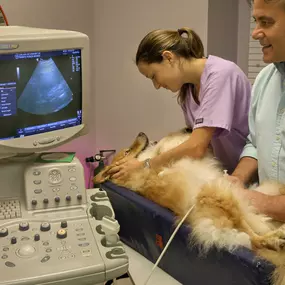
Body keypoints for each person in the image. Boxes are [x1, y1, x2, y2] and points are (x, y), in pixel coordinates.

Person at [107, 27, 251, 181]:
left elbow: (197, 147)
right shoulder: (188, 89)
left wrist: (144, 165)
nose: (156, 85)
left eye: (154, 76)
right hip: (226, 173)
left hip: (247, 175)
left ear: (168, 57)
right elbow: (194, 141)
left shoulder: (221, 74)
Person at [230, 0, 285, 222]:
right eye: (255, 21)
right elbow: (255, 143)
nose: (255, 33)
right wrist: (237, 178)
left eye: (266, 22)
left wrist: (257, 201)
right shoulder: (264, 80)